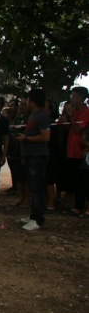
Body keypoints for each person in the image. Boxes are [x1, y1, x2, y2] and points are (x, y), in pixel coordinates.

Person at [16, 89, 50, 231]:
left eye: (28, 99)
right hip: (30, 156)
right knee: (32, 187)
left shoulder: (42, 116)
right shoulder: (32, 115)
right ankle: (33, 216)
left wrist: (27, 139)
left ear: (33, 100)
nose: (26, 102)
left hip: (38, 156)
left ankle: (38, 219)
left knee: (37, 188)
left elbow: (46, 137)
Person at [65, 86, 89, 216]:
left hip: (80, 151)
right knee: (73, 178)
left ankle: (79, 206)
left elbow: (78, 129)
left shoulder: (86, 112)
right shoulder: (73, 111)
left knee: (82, 180)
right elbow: (71, 130)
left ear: (81, 97)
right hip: (71, 149)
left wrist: (70, 116)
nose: (71, 98)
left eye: (73, 96)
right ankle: (73, 203)